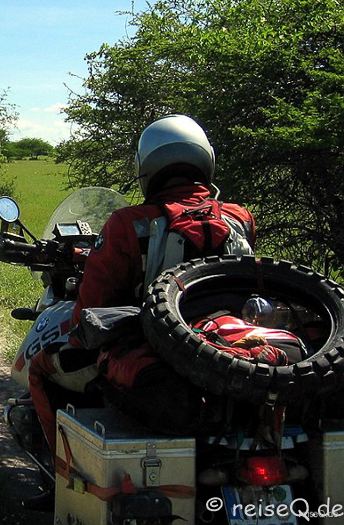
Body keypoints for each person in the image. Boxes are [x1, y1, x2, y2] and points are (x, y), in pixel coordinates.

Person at [23, 114, 256, 510]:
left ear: (147, 168)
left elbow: (90, 311)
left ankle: (59, 481)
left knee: (42, 369)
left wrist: (79, 341)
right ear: (206, 160)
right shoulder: (239, 218)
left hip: (156, 359)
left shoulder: (128, 225)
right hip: (231, 350)